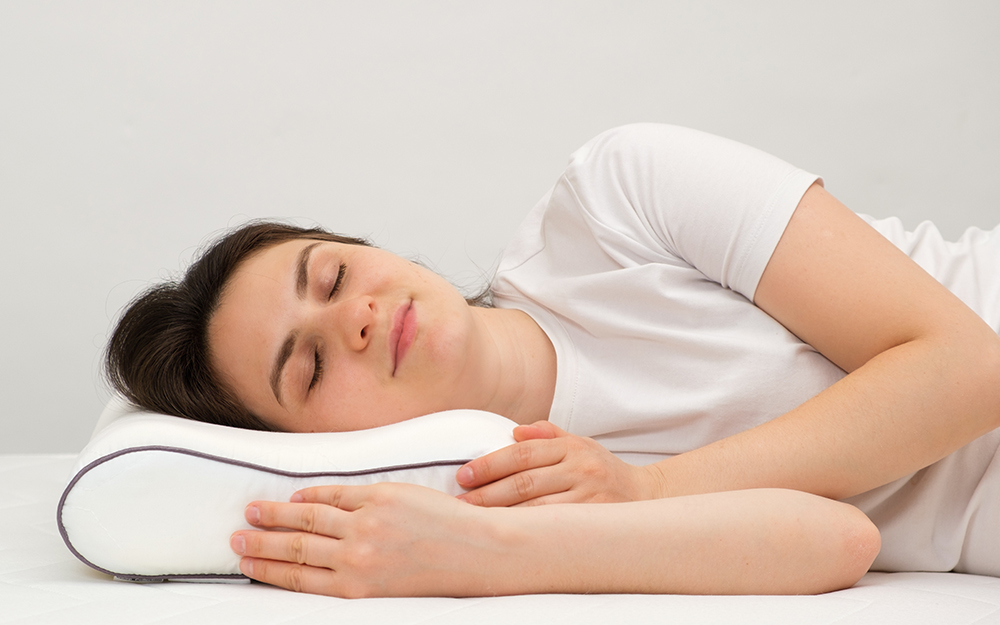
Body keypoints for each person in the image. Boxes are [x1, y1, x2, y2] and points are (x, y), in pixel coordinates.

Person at [105, 123, 1000, 597]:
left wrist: (649, 491)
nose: (359, 320)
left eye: (334, 273)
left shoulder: (619, 199)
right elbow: (838, 539)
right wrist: (494, 550)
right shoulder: (481, 491)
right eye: (306, 368)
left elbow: (968, 365)